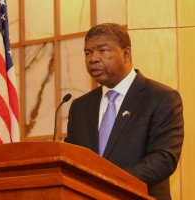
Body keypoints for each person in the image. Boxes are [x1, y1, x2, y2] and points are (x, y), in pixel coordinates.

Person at [64, 23, 184, 200]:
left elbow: (164, 159)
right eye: (88, 53)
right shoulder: (80, 107)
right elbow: (72, 160)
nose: (93, 59)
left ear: (126, 54)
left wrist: (109, 182)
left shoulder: (161, 97)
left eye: (103, 51)